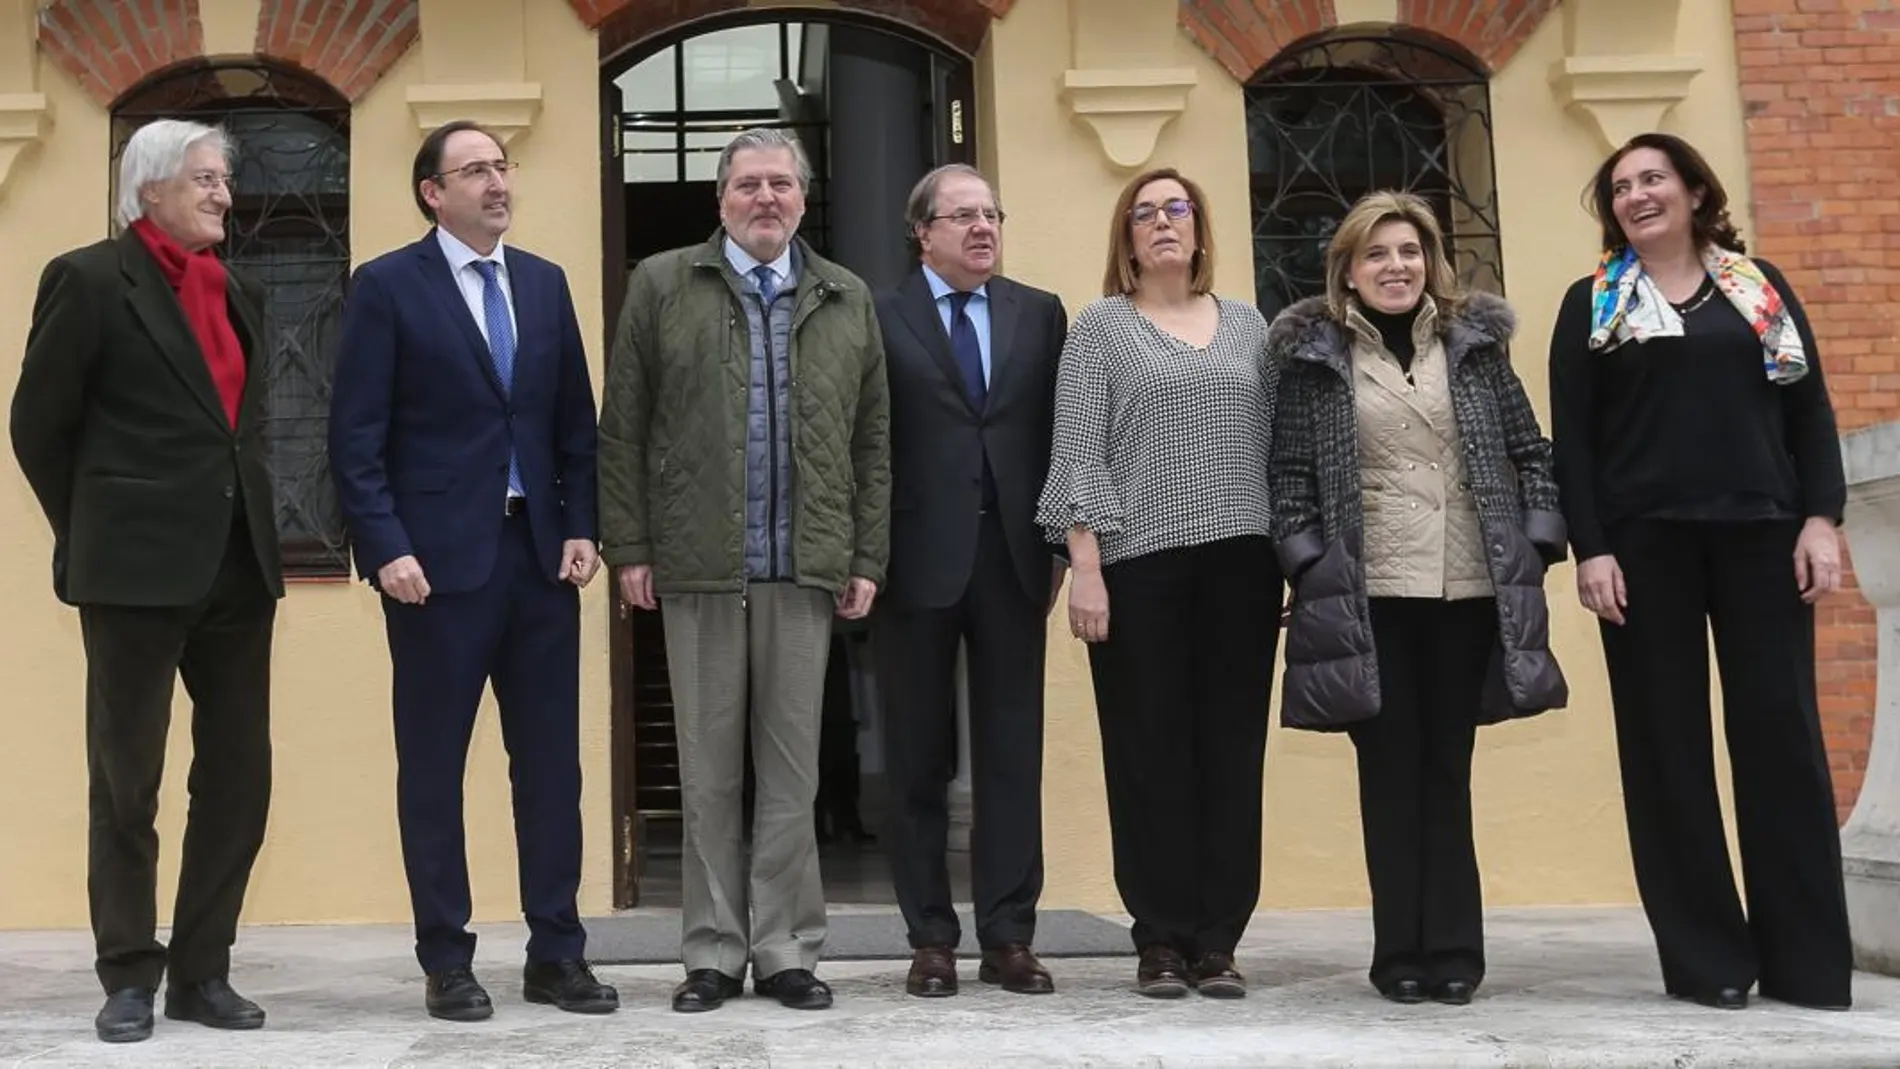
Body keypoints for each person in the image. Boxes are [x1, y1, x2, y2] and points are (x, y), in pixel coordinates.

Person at [1549, 132, 1852, 1011]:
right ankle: (1710, 959)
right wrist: (1591, 546)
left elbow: (1811, 408)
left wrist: (1820, 519)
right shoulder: (1592, 303)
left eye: (1653, 179)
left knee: (1782, 745)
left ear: (1691, 189)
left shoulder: (1757, 288)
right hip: (1644, 553)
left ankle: (1806, 964)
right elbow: (1574, 442)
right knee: (1665, 752)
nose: (1638, 195)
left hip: (1763, 537)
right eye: (1620, 188)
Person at [598, 127, 890, 1013]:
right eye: (749, 184)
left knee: (793, 771)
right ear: (720, 200)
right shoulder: (661, 283)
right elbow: (624, 426)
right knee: (710, 770)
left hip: (806, 569)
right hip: (696, 567)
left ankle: (788, 947)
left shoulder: (846, 296)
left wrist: (864, 553)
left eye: (782, 184)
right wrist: (631, 547)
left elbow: (873, 440)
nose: (767, 198)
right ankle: (714, 953)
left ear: (804, 198)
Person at [328, 120, 615, 1022]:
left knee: (550, 771)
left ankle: (556, 952)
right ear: (432, 192)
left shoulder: (543, 281)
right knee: (433, 770)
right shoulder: (385, 287)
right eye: (476, 170)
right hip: (434, 572)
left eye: (503, 166)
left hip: (538, 562)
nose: (497, 182)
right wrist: (385, 547)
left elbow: (575, 423)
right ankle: (447, 957)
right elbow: (355, 438)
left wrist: (583, 527)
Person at [10, 119, 283, 1044]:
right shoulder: (89, 280)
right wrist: (95, 530)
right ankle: (128, 972)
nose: (222, 194)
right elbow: (37, 426)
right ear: (151, 188)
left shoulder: (240, 286)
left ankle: (203, 971)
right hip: (131, 571)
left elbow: (239, 427)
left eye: (224, 180)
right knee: (127, 780)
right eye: (205, 179)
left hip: (238, 564)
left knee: (241, 776)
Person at [1268, 190, 1567, 1006]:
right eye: (1376, 254)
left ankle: (1457, 952)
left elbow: (1529, 450)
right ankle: (1399, 949)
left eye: (1407, 252)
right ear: (1349, 271)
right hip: (1371, 594)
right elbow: (1289, 477)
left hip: (1469, 587)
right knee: (1391, 774)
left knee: (1449, 767)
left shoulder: (1473, 346)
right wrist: (1309, 565)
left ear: (1430, 261)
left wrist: (1537, 545)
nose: (1394, 267)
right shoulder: (1316, 356)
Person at [1036, 167, 1280, 999]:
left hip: (1244, 566)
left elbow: (1280, 447)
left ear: (1201, 227)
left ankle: (1219, 939)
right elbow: (1078, 451)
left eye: (1177, 208)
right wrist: (1087, 569)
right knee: (1148, 753)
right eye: (1144, 213)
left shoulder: (1250, 325)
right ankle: (1161, 938)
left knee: (1231, 751)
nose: (1162, 223)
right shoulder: (1101, 327)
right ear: (1127, 238)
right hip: (1139, 568)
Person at [872, 164, 1068, 998]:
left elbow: (1066, 433)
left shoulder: (1040, 312)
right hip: (911, 561)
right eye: (962, 216)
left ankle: (1010, 934)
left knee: (1011, 752)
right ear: (923, 231)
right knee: (915, 756)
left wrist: (1064, 548)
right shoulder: (878, 313)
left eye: (991, 214)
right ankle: (929, 937)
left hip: (1016, 559)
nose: (982, 228)